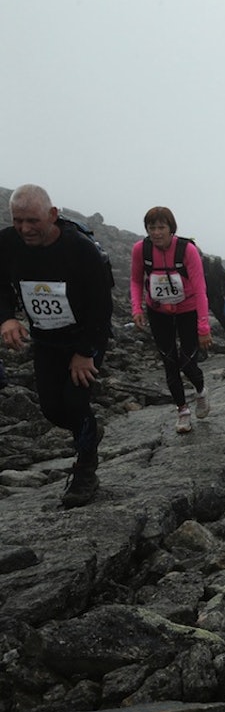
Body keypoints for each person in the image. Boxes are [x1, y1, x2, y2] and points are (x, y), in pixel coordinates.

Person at [0, 185, 113, 506]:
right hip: (46, 339)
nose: (25, 228)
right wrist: (6, 318)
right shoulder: (8, 243)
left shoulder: (80, 250)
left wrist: (85, 352)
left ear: (52, 215)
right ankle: (88, 429)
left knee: (75, 401)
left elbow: (101, 307)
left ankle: (85, 470)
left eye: (32, 221)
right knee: (51, 409)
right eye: (18, 220)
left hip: (85, 337)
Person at [129, 206, 212, 433]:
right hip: (158, 311)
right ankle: (182, 411)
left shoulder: (187, 250)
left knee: (187, 362)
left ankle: (201, 391)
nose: (156, 233)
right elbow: (136, 280)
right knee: (169, 361)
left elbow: (200, 288)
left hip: (187, 310)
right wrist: (137, 308)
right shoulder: (141, 250)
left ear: (171, 228)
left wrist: (203, 327)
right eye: (151, 228)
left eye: (161, 227)